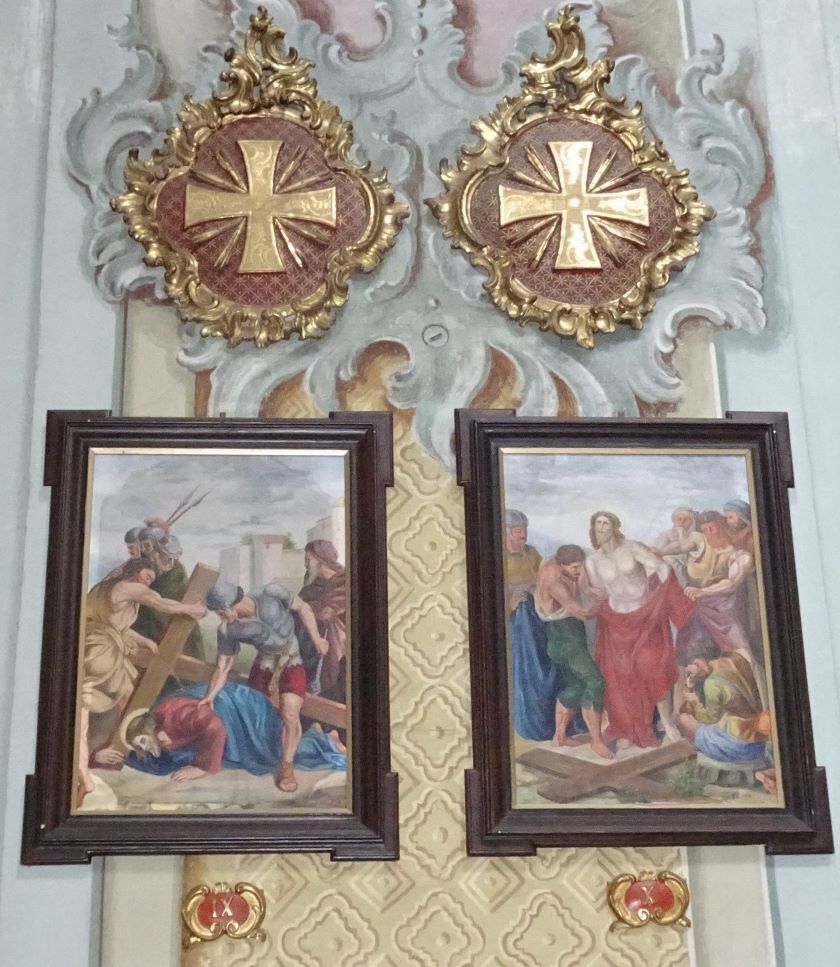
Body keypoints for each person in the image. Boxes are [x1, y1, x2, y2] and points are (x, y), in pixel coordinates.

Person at [79, 557, 207, 797]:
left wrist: (144, 640)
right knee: (106, 705)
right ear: (134, 572)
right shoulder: (128, 587)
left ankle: (104, 757)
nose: (148, 583)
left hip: (98, 649)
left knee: (124, 700)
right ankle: (96, 762)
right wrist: (192, 609)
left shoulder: (107, 590)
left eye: (151, 580)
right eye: (147, 577)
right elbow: (160, 603)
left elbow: (115, 626)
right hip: (102, 654)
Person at [202, 580, 330, 793]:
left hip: (292, 659)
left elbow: (304, 608)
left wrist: (317, 640)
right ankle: (264, 756)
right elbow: (223, 666)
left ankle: (287, 766)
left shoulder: (271, 592)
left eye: (220, 613)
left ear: (229, 605)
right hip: (265, 665)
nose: (220, 618)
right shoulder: (228, 630)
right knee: (256, 717)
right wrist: (210, 695)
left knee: (290, 714)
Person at [586, 510, 696, 748]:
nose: (601, 528)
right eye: (597, 524)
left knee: (653, 667)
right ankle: (631, 729)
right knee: (623, 676)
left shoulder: (632, 548)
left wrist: (662, 593)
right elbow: (600, 592)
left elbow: (661, 567)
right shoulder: (592, 561)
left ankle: (666, 721)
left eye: (605, 523)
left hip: (645, 617)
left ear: (615, 527)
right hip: (615, 623)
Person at [121, 681, 347, 780]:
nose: (144, 748)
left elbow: (214, 727)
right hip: (231, 713)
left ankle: (326, 741)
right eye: (140, 746)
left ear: (147, 728)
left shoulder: (178, 715)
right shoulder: (159, 727)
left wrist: (201, 768)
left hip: (245, 712)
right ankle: (319, 737)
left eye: (142, 740)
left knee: (269, 752)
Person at [675, 511, 766, 705]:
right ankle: (689, 706)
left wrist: (702, 591)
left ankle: (764, 704)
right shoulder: (703, 553)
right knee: (688, 656)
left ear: (723, 527)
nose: (709, 533)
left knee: (747, 656)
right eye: (705, 530)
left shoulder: (739, 555)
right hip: (702, 613)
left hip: (729, 614)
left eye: (712, 528)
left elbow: (731, 583)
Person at [535, 545, 611, 758]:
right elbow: (583, 613)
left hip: (567, 637)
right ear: (562, 565)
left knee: (576, 686)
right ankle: (597, 741)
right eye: (575, 567)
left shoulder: (556, 562)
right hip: (565, 639)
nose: (579, 571)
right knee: (595, 681)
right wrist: (603, 601)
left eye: (580, 566)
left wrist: (590, 590)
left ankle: (559, 736)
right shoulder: (556, 584)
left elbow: (581, 583)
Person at [504, 509, 562, 740]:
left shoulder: (531, 553)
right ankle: (531, 724)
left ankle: (552, 720)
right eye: (519, 530)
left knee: (551, 663)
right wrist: (510, 601)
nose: (523, 535)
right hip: (518, 626)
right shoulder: (498, 557)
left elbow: (542, 581)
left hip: (537, 617)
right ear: (506, 532)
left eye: (525, 530)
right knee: (528, 672)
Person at [677, 642, 771, 775]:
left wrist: (695, 702)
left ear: (698, 661)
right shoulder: (735, 660)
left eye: (689, 667)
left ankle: (712, 759)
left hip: (740, 745)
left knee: (683, 720)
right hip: (758, 738)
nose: (690, 673)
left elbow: (709, 719)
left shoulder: (712, 683)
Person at [132, 524, 204, 663]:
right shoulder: (146, 567)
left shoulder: (175, 574)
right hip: (147, 629)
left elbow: (161, 602)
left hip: (172, 630)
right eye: (141, 546)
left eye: (147, 546)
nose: (144, 551)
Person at [296, 539, 347, 699]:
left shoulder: (345, 581)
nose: (306, 565)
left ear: (321, 560)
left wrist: (311, 612)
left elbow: (329, 613)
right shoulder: (310, 589)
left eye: (308, 560)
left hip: (337, 646)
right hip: (309, 645)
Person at [652, 507, 703, 586]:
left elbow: (685, 548)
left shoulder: (695, 535)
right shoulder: (666, 534)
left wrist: (681, 535)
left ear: (692, 522)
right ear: (674, 521)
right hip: (668, 567)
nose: (682, 522)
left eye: (686, 520)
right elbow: (657, 551)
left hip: (692, 565)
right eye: (679, 519)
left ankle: (685, 585)